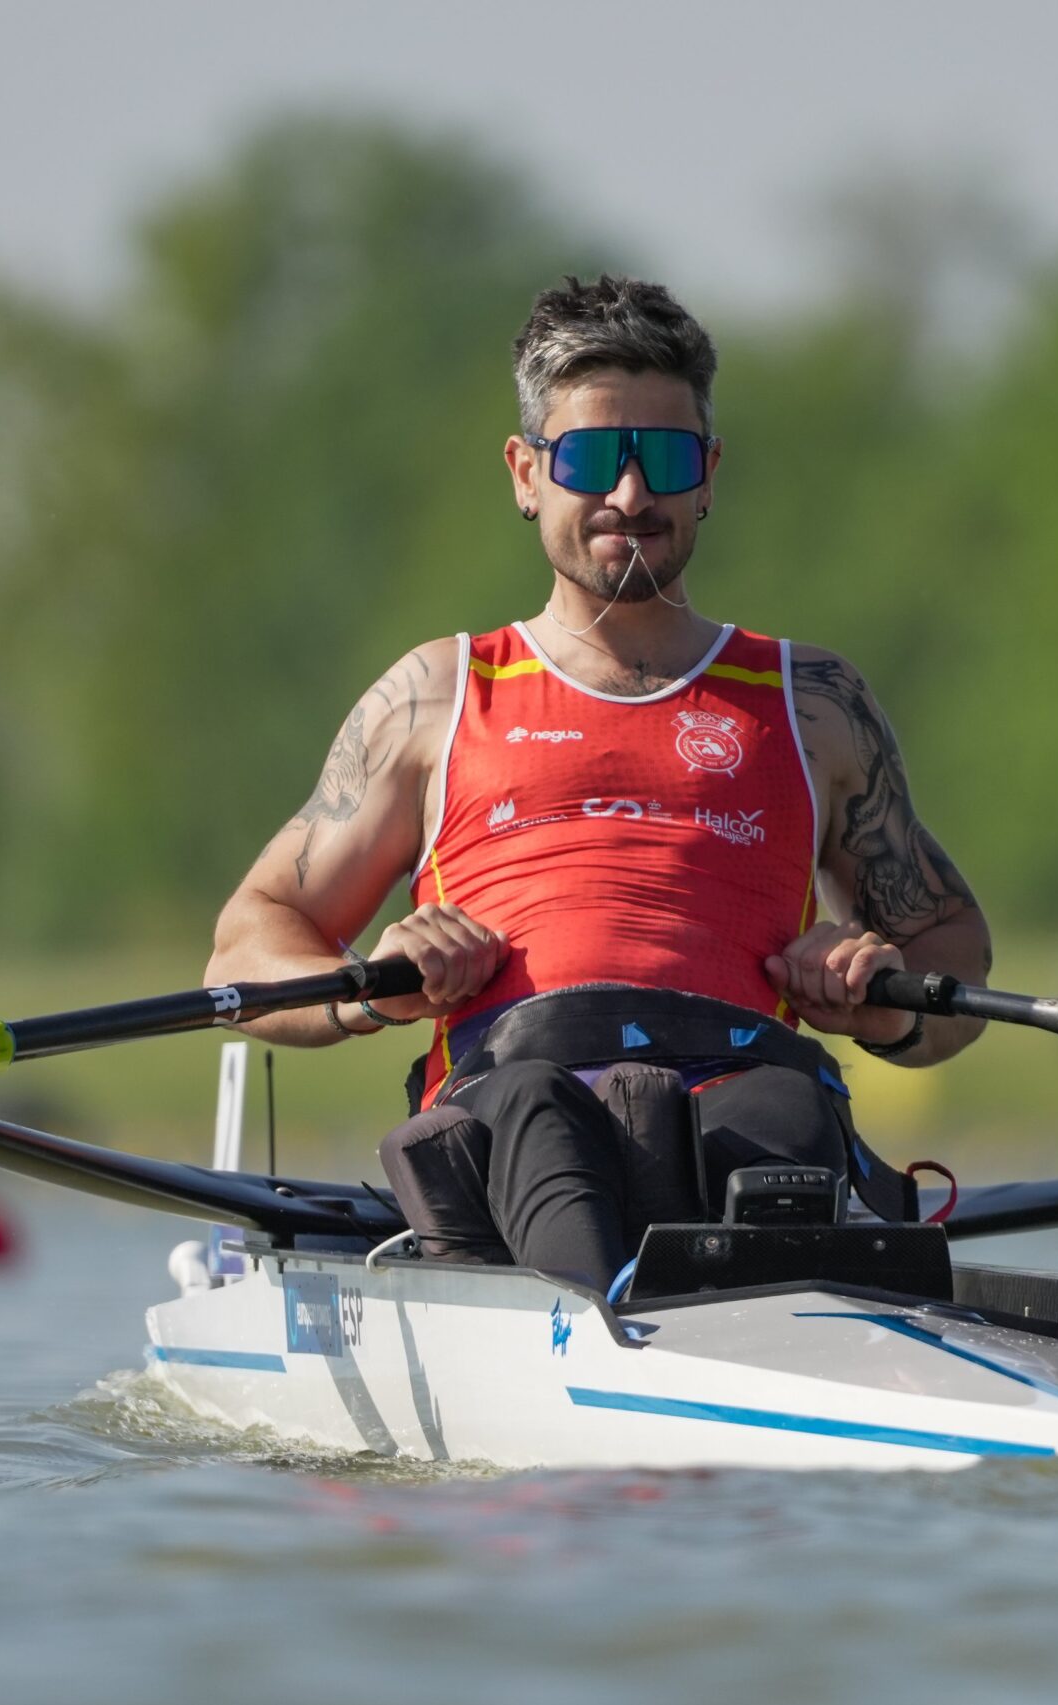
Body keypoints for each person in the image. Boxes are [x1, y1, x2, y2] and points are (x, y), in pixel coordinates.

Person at [204, 275, 990, 1287]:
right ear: (527, 474)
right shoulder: (436, 696)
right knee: (536, 1108)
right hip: (513, 1094)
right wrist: (374, 987)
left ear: (707, 475)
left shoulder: (813, 703)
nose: (630, 496)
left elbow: (951, 950)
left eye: (663, 460)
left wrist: (880, 1002)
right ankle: (603, 1342)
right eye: (589, 461)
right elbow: (248, 938)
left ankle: (719, 1334)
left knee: (788, 1108)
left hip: (747, 1089)